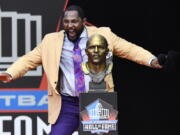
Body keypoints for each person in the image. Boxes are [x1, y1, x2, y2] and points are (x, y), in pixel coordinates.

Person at [0, 5, 162, 135]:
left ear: (83, 21)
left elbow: (129, 49)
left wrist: (151, 60)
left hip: (97, 99)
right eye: (66, 22)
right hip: (67, 104)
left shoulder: (103, 35)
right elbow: (29, 59)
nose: (70, 26)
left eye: (74, 22)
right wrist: (10, 73)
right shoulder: (51, 41)